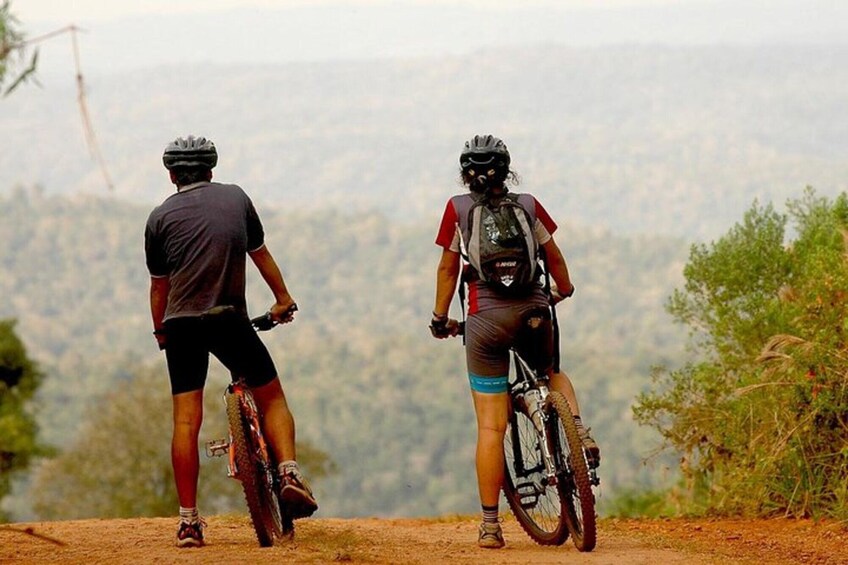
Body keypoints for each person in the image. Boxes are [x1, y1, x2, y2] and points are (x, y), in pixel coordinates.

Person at [145, 135, 317, 548]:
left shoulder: (158, 218)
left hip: (181, 323)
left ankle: (188, 522)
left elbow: (158, 289)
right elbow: (260, 254)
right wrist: (283, 300)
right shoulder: (236, 198)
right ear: (211, 170)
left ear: (171, 175)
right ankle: (289, 472)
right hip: (229, 319)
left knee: (186, 421)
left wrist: (162, 331)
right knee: (272, 398)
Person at [430, 134, 599, 549]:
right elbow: (554, 257)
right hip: (534, 313)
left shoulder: (457, 210)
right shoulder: (527, 205)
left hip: (485, 323)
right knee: (551, 372)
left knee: (491, 425)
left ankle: (490, 526)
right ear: (507, 171)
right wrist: (565, 288)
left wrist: (440, 318)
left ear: (464, 174)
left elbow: (448, 271)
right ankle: (578, 432)